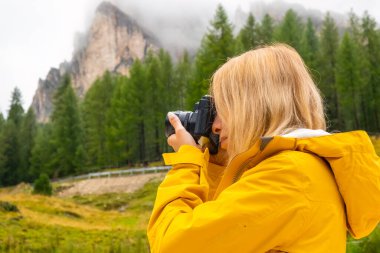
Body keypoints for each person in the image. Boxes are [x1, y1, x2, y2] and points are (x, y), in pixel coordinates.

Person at [147, 44, 380, 253]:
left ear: (256, 106)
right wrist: (216, 161)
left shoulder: (288, 177)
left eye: (224, 108)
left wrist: (187, 162)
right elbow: (216, 228)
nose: (215, 126)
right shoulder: (300, 169)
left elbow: (171, 244)